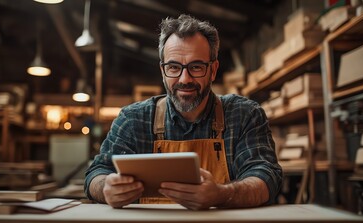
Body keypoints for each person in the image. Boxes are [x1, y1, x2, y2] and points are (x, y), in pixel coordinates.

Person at [84, 14, 282, 210]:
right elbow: (96, 173)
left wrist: (222, 194)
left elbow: (266, 177)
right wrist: (106, 188)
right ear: (163, 71)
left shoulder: (244, 114)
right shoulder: (133, 119)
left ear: (213, 70)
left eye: (196, 67)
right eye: (174, 67)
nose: (184, 79)